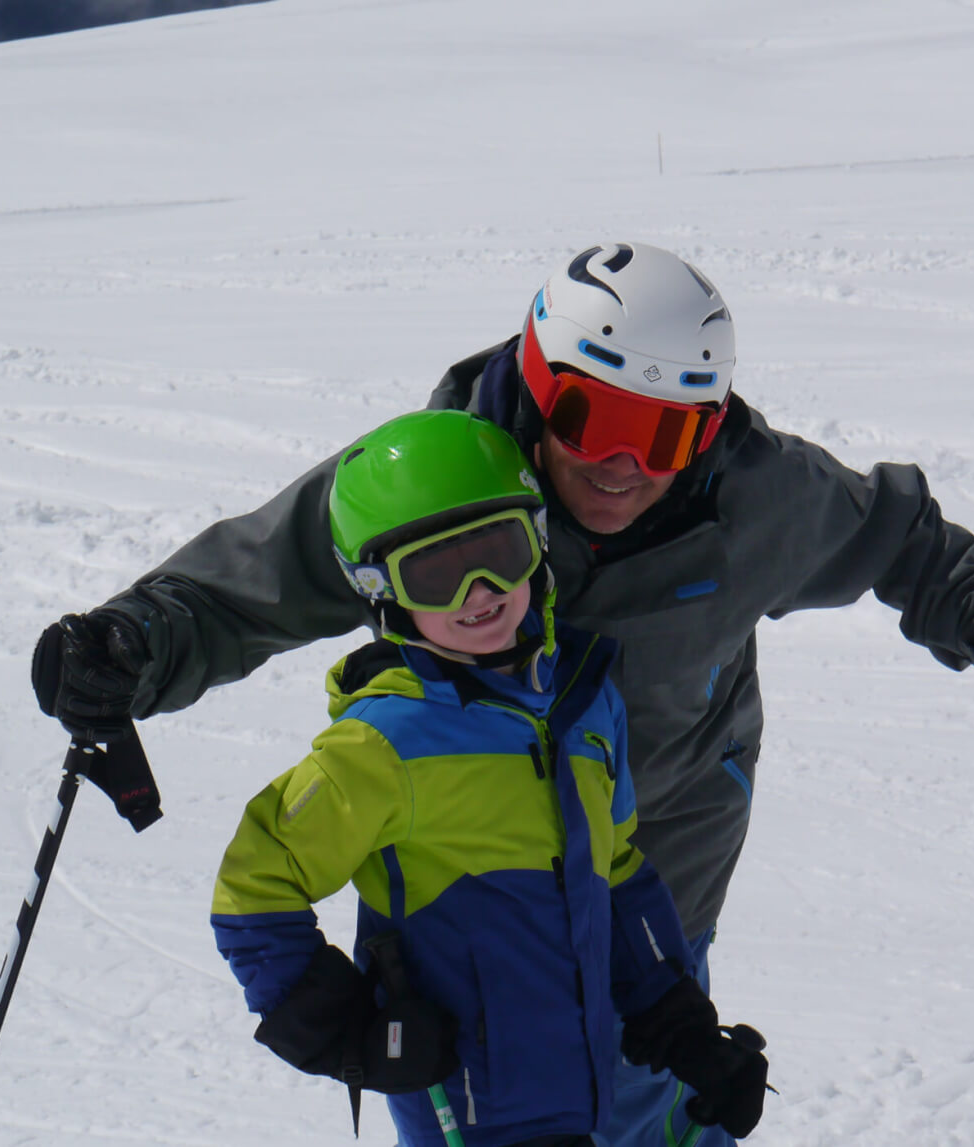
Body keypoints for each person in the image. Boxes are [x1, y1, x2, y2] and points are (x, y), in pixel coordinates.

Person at [34, 242, 974, 1146]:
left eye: (669, 432)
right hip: (465, 873)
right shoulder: (439, 487)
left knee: (644, 1064)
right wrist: (130, 644)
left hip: (660, 831)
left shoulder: (750, 497)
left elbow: (902, 542)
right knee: (501, 1085)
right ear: (539, 382)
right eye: (590, 417)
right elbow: (246, 586)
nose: (622, 465)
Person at [209, 410, 768, 1147]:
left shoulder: (588, 704)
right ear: (383, 590)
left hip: (583, 1100)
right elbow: (253, 887)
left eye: (498, 551)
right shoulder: (384, 744)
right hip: (469, 1111)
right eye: (435, 573)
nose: (477, 591)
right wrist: (348, 1029)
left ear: (535, 542)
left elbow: (617, 871)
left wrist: (677, 1021)